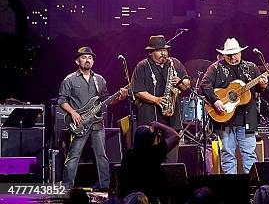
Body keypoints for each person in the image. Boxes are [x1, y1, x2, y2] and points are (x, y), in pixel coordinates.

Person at [59, 47, 128, 189]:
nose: (87, 60)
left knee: (101, 156)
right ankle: (66, 187)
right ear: (77, 61)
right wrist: (73, 113)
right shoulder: (69, 80)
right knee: (73, 157)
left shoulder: (99, 80)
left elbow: (106, 100)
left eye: (90, 58)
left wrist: (120, 97)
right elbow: (62, 101)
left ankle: (105, 186)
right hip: (80, 123)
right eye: (84, 57)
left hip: (97, 123)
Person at [199, 38, 268, 174]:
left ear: (241, 53)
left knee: (249, 154)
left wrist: (263, 85)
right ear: (224, 55)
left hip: (246, 118)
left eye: (235, 54)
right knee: (228, 154)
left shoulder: (251, 68)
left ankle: (251, 187)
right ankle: (232, 187)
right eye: (229, 55)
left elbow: (259, 89)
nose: (233, 57)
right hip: (224, 118)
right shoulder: (215, 68)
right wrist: (216, 100)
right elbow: (205, 84)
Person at [131, 35, 190, 163]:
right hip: (150, 118)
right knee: (150, 160)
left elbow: (187, 84)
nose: (163, 53)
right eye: (159, 50)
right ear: (151, 52)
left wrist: (179, 82)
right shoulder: (142, 66)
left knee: (172, 160)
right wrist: (156, 100)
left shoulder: (174, 63)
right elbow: (137, 91)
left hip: (172, 119)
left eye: (165, 50)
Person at [117, 121, 180, 202]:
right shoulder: (155, 152)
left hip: (131, 199)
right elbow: (176, 136)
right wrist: (158, 124)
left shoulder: (128, 155)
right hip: (152, 198)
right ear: (152, 138)